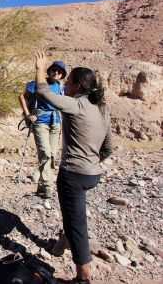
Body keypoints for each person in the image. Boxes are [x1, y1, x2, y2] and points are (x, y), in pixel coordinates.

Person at [34, 51, 112, 283]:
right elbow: (108, 147)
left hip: (73, 175)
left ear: (78, 85)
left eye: (68, 83)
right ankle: (61, 244)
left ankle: (83, 277)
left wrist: (39, 69)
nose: (65, 86)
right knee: (73, 216)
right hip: (93, 173)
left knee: (75, 222)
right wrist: (92, 161)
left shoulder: (76, 104)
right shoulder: (102, 108)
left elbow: (43, 92)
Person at [18, 60, 67, 199]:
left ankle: (41, 185)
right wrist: (27, 114)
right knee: (45, 151)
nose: (56, 73)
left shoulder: (60, 87)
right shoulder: (36, 84)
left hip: (56, 122)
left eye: (60, 72)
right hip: (40, 122)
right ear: (49, 70)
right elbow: (22, 97)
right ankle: (47, 187)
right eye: (54, 70)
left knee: (52, 154)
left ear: (61, 75)